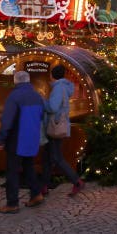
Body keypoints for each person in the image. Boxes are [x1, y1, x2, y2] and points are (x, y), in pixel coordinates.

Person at [0, 70, 45, 214]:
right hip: (32, 137)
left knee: (12, 171)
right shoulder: (37, 96)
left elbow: (7, 121)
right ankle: (36, 194)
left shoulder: (14, 96)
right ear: (28, 81)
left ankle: (12, 203)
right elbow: (41, 116)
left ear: (15, 81)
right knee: (28, 166)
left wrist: (1, 139)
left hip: (17, 138)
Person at [41, 65, 84, 197]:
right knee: (47, 157)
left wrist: (43, 100)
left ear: (52, 75)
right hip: (56, 125)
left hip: (55, 126)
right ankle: (44, 186)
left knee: (56, 157)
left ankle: (77, 181)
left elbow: (53, 107)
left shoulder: (58, 88)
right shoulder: (64, 87)